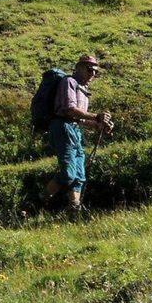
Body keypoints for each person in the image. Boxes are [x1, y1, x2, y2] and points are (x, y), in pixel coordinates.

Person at [42, 55, 113, 214]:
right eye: (89, 70)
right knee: (68, 173)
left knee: (79, 174)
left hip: (75, 130)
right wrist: (96, 116)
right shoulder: (69, 82)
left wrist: (98, 125)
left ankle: (74, 209)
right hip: (62, 128)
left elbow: (79, 118)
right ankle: (41, 202)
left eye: (95, 72)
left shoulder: (83, 90)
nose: (92, 75)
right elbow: (69, 110)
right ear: (79, 68)